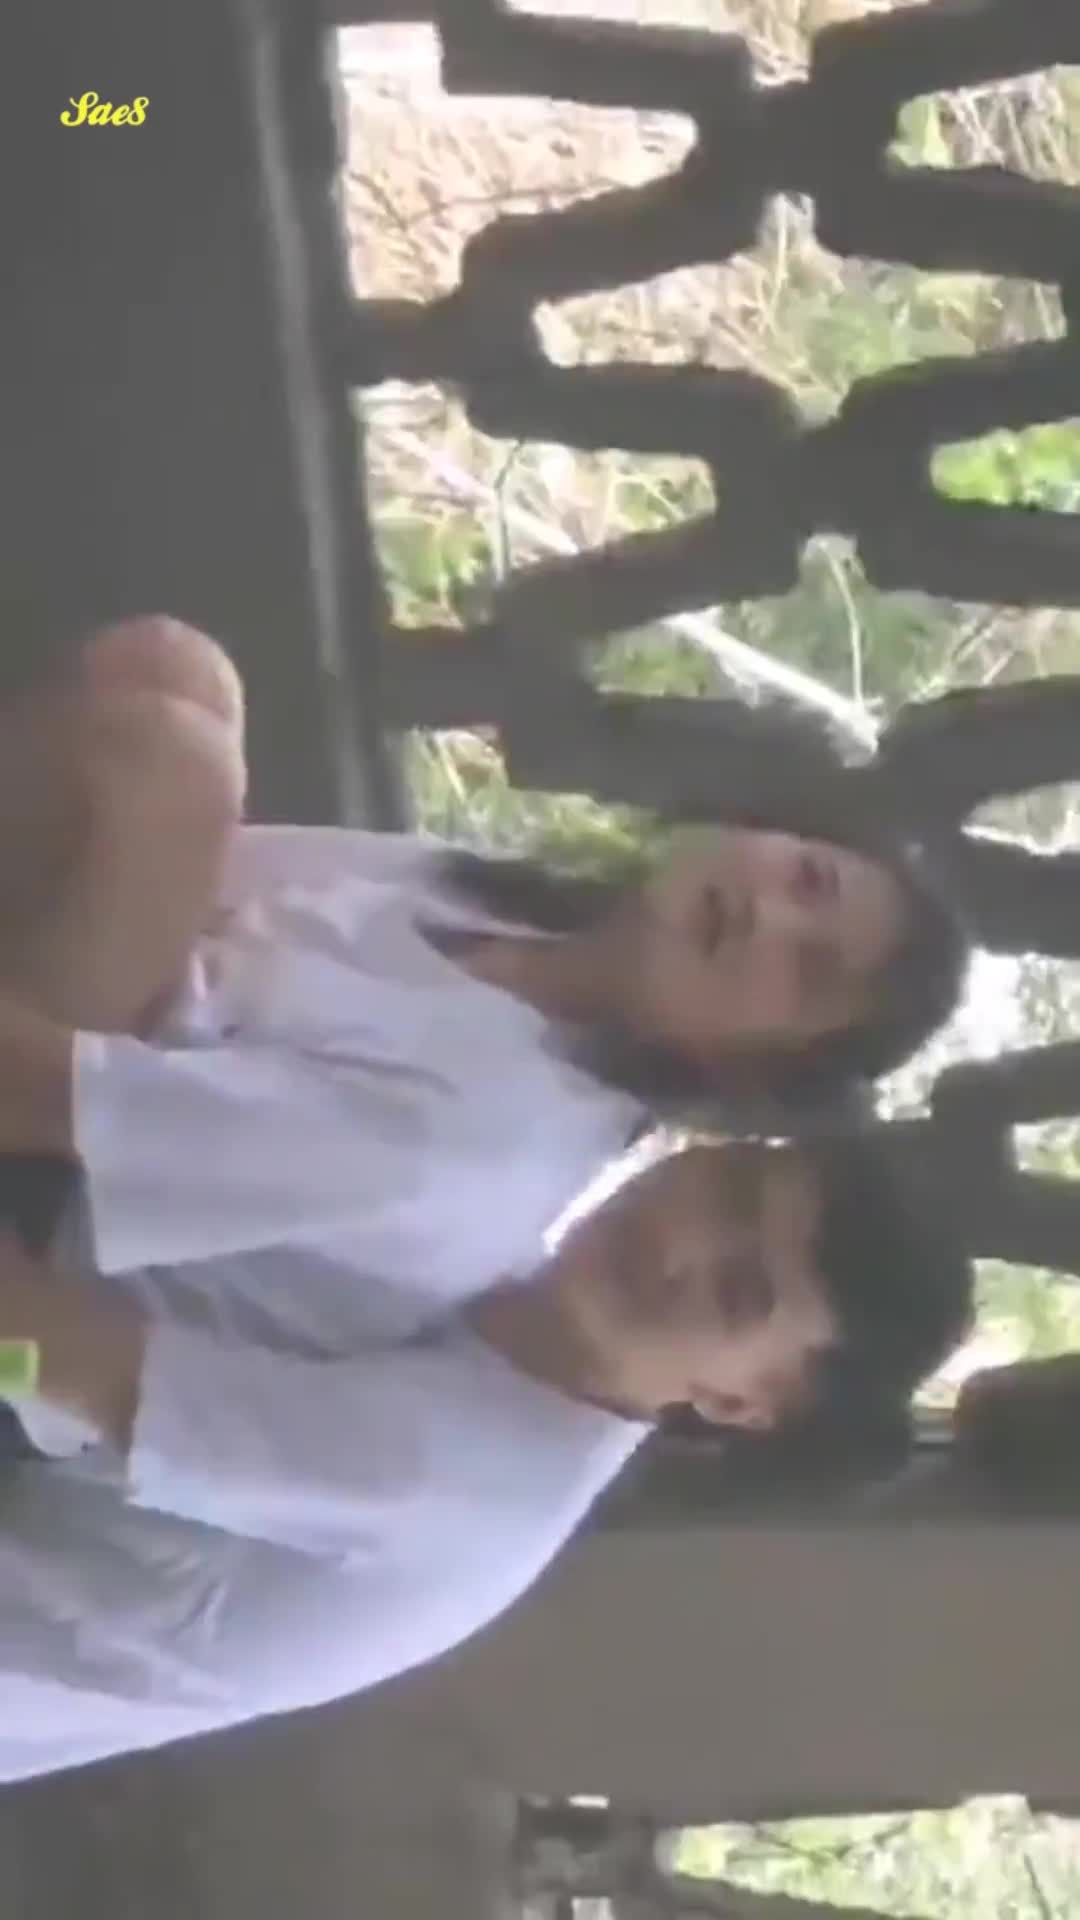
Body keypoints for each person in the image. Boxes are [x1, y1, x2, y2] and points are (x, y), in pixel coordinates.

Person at [0, 617, 968, 1319]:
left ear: (760, 1065)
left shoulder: (482, 1145)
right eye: (807, 876)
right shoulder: (505, 905)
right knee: (174, 672)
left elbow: (58, 1111)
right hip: (71, 1032)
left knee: (173, 763)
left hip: (34, 1237)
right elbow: (210, 889)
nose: (770, 915)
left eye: (808, 972)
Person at [0, 1129, 973, 1784]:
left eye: (736, 1293)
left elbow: (39, 1353)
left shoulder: (465, 1478)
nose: (678, 1243)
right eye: (728, 1188)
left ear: (740, 1402)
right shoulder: (489, 1278)